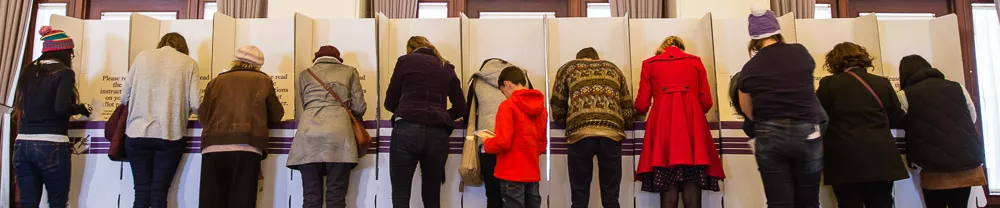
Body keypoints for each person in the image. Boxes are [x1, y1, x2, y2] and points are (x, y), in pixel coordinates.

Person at [737, 5, 824, 208]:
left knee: (779, 202)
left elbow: (747, 109)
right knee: (809, 201)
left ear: (754, 38)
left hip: (769, 134)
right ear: (777, 31)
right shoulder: (800, 53)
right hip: (807, 132)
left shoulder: (750, 68)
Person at [634, 36, 724, 208]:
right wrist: (693, 112)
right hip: (692, 128)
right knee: (692, 179)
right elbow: (706, 101)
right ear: (681, 48)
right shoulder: (695, 62)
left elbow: (643, 104)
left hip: (662, 127)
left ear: (662, 48)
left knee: (668, 181)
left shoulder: (650, 64)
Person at [816, 42, 908, 208]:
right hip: (881, 158)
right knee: (882, 203)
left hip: (844, 160)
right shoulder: (882, 83)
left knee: (849, 203)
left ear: (834, 62)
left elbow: (819, 118)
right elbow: (896, 118)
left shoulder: (829, 84)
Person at [198, 45, 285, 208]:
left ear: (235, 60)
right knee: (242, 200)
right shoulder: (263, 80)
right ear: (258, 64)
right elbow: (276, 115)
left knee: (211, 201)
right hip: (247, 147)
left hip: (213, 148)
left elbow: (203, 116)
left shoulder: (217, 81)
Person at [13, 26, 90, 208]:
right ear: (64, 51)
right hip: (51, 143)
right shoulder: (64, 73)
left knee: (27, 202)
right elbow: (60, 107)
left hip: (22, 143)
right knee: (57, 202)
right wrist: (81, 108)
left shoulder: (28, 71)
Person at [385, 36, 466, 208]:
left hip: (406, 130)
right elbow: (461, 108)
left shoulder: (405, 62)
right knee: (432, 193)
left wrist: (407, 110)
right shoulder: (446, 67)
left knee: (400, 193)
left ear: (410, 49)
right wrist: (441, 115)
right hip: (437, 135)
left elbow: (389, 102)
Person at [120, 32, 200, 208]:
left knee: (140, 193)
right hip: (170, 134)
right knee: (159, 193)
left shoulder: (142, 57)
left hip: (136, 133)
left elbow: (124, 97)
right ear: (183, 47)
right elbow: (196, 103)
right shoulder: (189, 63)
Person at [896, 55, 985, 208]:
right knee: (960, 204)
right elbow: (972, 117)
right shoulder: (957, 87)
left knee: (935, 204)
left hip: (932, 163)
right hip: (965, 157)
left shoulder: (905, 95)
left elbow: (903, 125)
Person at [551, 47, 634, 208]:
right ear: (597, 59)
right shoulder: (613, 68)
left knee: (579, 198)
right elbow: (628, 110)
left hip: (580, 133)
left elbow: (558, 107)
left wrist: (567, 121)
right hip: (611, 134)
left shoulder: (568, 68)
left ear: (579, 58)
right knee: (611, 198)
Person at [287, 45, 367, 208]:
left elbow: (305, 104)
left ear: (316, 58)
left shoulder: (305, 74)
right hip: (339, 135)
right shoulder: (350, 71)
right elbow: (359, 107)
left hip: (308, 133)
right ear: (338, 59)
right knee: (336, 195)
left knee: (310, 196)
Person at [482, 66, 548, 208]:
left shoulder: (507, 106)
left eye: (503, 92)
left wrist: (487, 142)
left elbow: (503, 142)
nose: (505, 95)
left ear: (507, 84)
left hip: (511, 173)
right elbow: (541, 145)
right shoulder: (542, 110)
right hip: (532, 173)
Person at [466, 58, 524, 208]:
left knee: (493, 195)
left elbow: (469, 112)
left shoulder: (478, 80)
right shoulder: (521, 79)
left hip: (489, 147)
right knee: (515, 197)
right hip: (515, 149)